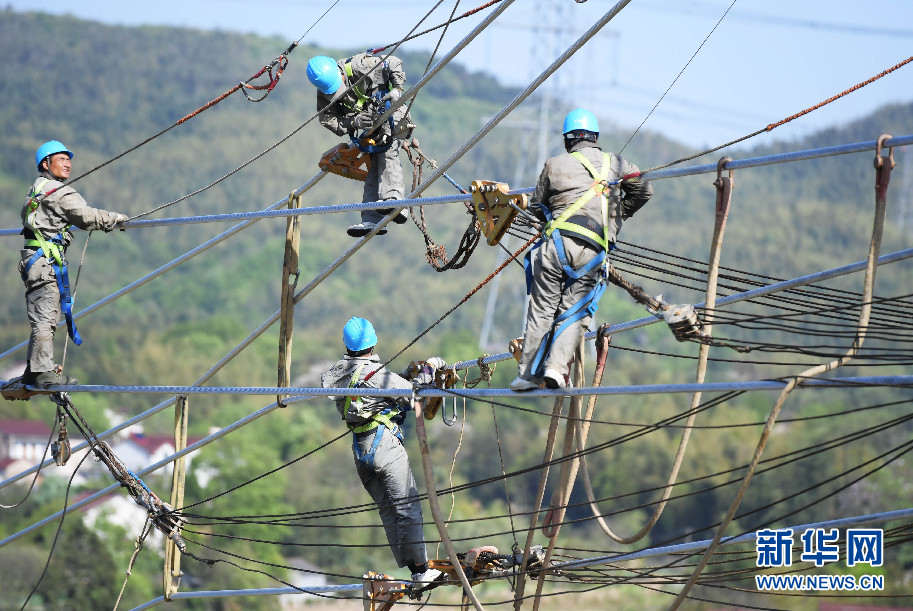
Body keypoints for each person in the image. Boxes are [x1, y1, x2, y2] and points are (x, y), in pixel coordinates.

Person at [510, 109, 654, 391]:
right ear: (596, 139)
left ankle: (527, 376)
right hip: (593, 251)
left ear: (568, 141)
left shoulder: (555, 164)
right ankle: (555, 369)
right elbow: (643, 190)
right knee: (575, 311)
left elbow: (539, 208)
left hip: (556, 246)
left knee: (542, 310)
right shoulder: (619, 164)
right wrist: (616, 214)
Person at [320, 316, 443, 586]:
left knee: (390, 510)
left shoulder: (337, 373)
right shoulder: (379, 376)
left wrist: (401, 377)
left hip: (361, 452)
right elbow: (415, 395)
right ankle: (421, 570)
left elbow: (374, 391)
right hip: (384, 446)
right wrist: (431, 368)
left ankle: (414, 568)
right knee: (407, 505)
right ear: (373, 344)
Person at [18, 140, 127, 388]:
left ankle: (33, 371)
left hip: (35, 262)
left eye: (69, 159)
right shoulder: (58, 192)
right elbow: (87, 216)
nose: (68, 163)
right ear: (46, 164)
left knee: (42, 316)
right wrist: (117, 219)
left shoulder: (36, 189)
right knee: (46, 318)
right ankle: (43, 373)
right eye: (61, 159)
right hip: (45, 264)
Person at [306, 53, 412, 237]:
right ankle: (372, 218)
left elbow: (393, 61)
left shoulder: (363, 65)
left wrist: (396, 88)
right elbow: (327, 118)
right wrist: (353, 122)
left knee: (387, 150)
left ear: (340, 73)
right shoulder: (324, 90)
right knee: (374, 164)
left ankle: (395, 201)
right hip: (370, 126)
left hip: (392, 114)